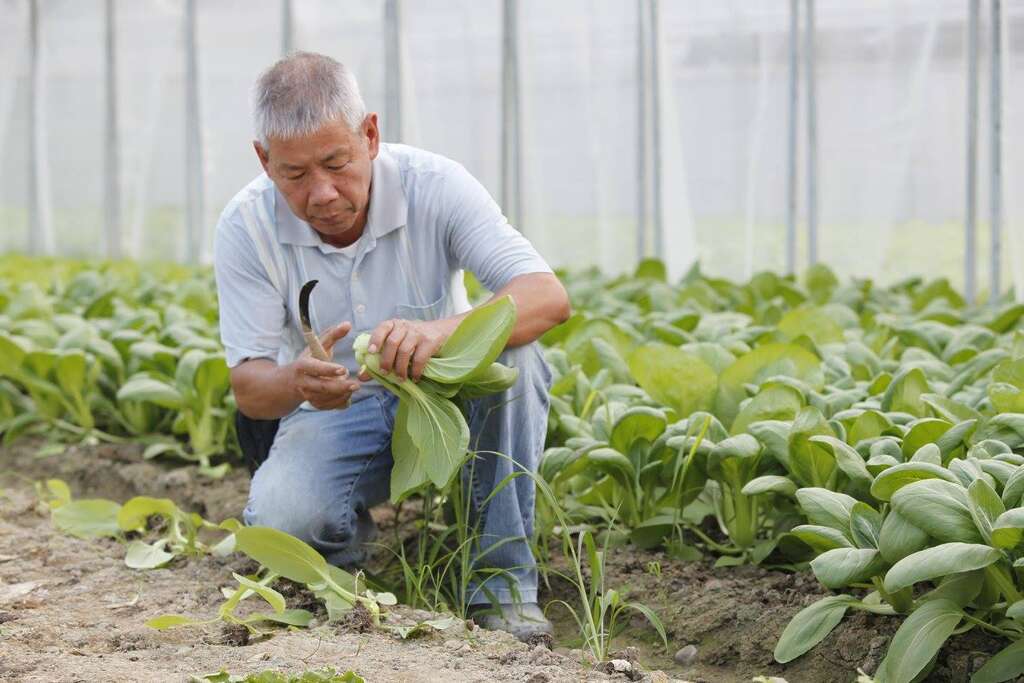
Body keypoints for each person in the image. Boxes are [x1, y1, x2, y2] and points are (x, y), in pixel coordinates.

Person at [212, 52, 570, 640]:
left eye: (337, 163)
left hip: (445, 392)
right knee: (284, 522)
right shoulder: (245, 227)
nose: (322, 193)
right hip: (337, 407)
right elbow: (249, 389)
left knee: (517, 356)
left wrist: (438, 333)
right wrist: (297, 381)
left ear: (370, 135)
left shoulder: (435, 185)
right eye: (295, 175)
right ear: (264, 160)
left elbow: (546, 296)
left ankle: (501, 586)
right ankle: (348, 553)